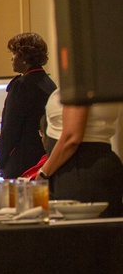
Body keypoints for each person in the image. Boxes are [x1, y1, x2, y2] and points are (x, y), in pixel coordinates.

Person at [39, 89, 123, 217]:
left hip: (79, 169)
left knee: (79, 233)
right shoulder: (100, 78)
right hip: (93, 166)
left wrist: (43, 173)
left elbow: (72, 138)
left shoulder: (81, 75)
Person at [0, 32, 57, 179]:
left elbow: (10, 128)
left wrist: (1, 162)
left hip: (22, 163)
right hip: (45, 160)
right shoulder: (50, 84)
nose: (12, 58)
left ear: (24, 58)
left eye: (14, 54)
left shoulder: (21, 85)